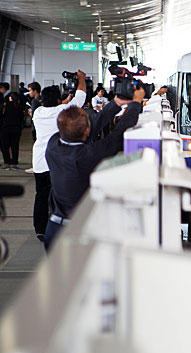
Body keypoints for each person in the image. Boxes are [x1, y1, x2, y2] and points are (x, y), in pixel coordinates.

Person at [44, 86, 145, 250]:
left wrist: (115, 103)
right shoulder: (88, 155)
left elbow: (86, 129)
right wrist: (136, 103)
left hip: (54, 229)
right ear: (86, 130)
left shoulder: (53, 145)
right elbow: (118, 134)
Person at [31, 70, 87, 242]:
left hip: (39, 160)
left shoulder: (38, 112)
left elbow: (54, 106)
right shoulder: (62, 111)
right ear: (58, 100)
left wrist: (63, 102)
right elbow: (81, 97)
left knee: (41, 194)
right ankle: (59, 227)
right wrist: (82, 79)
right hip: (57, 161)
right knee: (59, 195)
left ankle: (40, 228)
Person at [0, 92, 24, 170]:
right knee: (15, 146)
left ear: (10, 98)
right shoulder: (19, 106)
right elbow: (21, 118)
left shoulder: (5, 105)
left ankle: (6, 163)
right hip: (16, 129)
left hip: (5, 129)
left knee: (5, 146)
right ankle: (14, 163)